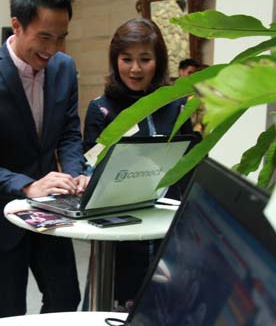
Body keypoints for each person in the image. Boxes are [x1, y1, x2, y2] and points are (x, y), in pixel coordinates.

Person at [0, 0, 88, 319]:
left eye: (61, 38)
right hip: (1, 214)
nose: (52, 49)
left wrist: (75, 172)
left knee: (65, 299)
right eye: (44, 37)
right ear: (17, 25)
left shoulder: (64, 68)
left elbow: (69, 133)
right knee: (10, 309)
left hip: (53, 211)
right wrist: (27, 185)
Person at [83, 18, 194, 311]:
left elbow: (191, 165)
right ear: (114, 60)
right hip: (119, 233)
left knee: (167, 312)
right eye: (126, 59)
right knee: (112, 312)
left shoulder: (178, 106)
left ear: (158, 62)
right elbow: (91, 166)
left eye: (145, 59)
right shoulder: (101, 109)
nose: (135, 68)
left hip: (167, 230)